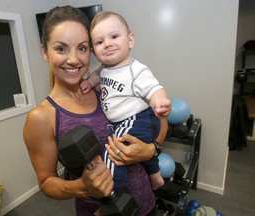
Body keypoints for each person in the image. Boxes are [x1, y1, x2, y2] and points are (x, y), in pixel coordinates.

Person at [23, 5, 166, 216]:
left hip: (146, 203)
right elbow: (46, 183)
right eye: (61, 48)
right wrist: (82, 186)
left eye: (82, 48)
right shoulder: (41, 117)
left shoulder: (105, 89)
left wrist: (151, 150)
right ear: (45, 51)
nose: (73, 59)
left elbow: (159, 122)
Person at [80, 11, 171, 190]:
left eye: (114, 36)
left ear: (130, 40)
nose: (107, 44)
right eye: (99, 42)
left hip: (139, 119)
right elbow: (98, 76)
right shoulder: (104, 68)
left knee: (113, 152)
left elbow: (154, 88)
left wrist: (160, 101)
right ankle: (156, 176)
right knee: (139, 149)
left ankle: (115, 194)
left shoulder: (135, 70)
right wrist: (89, 83)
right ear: (94, 51)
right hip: (125, 121)